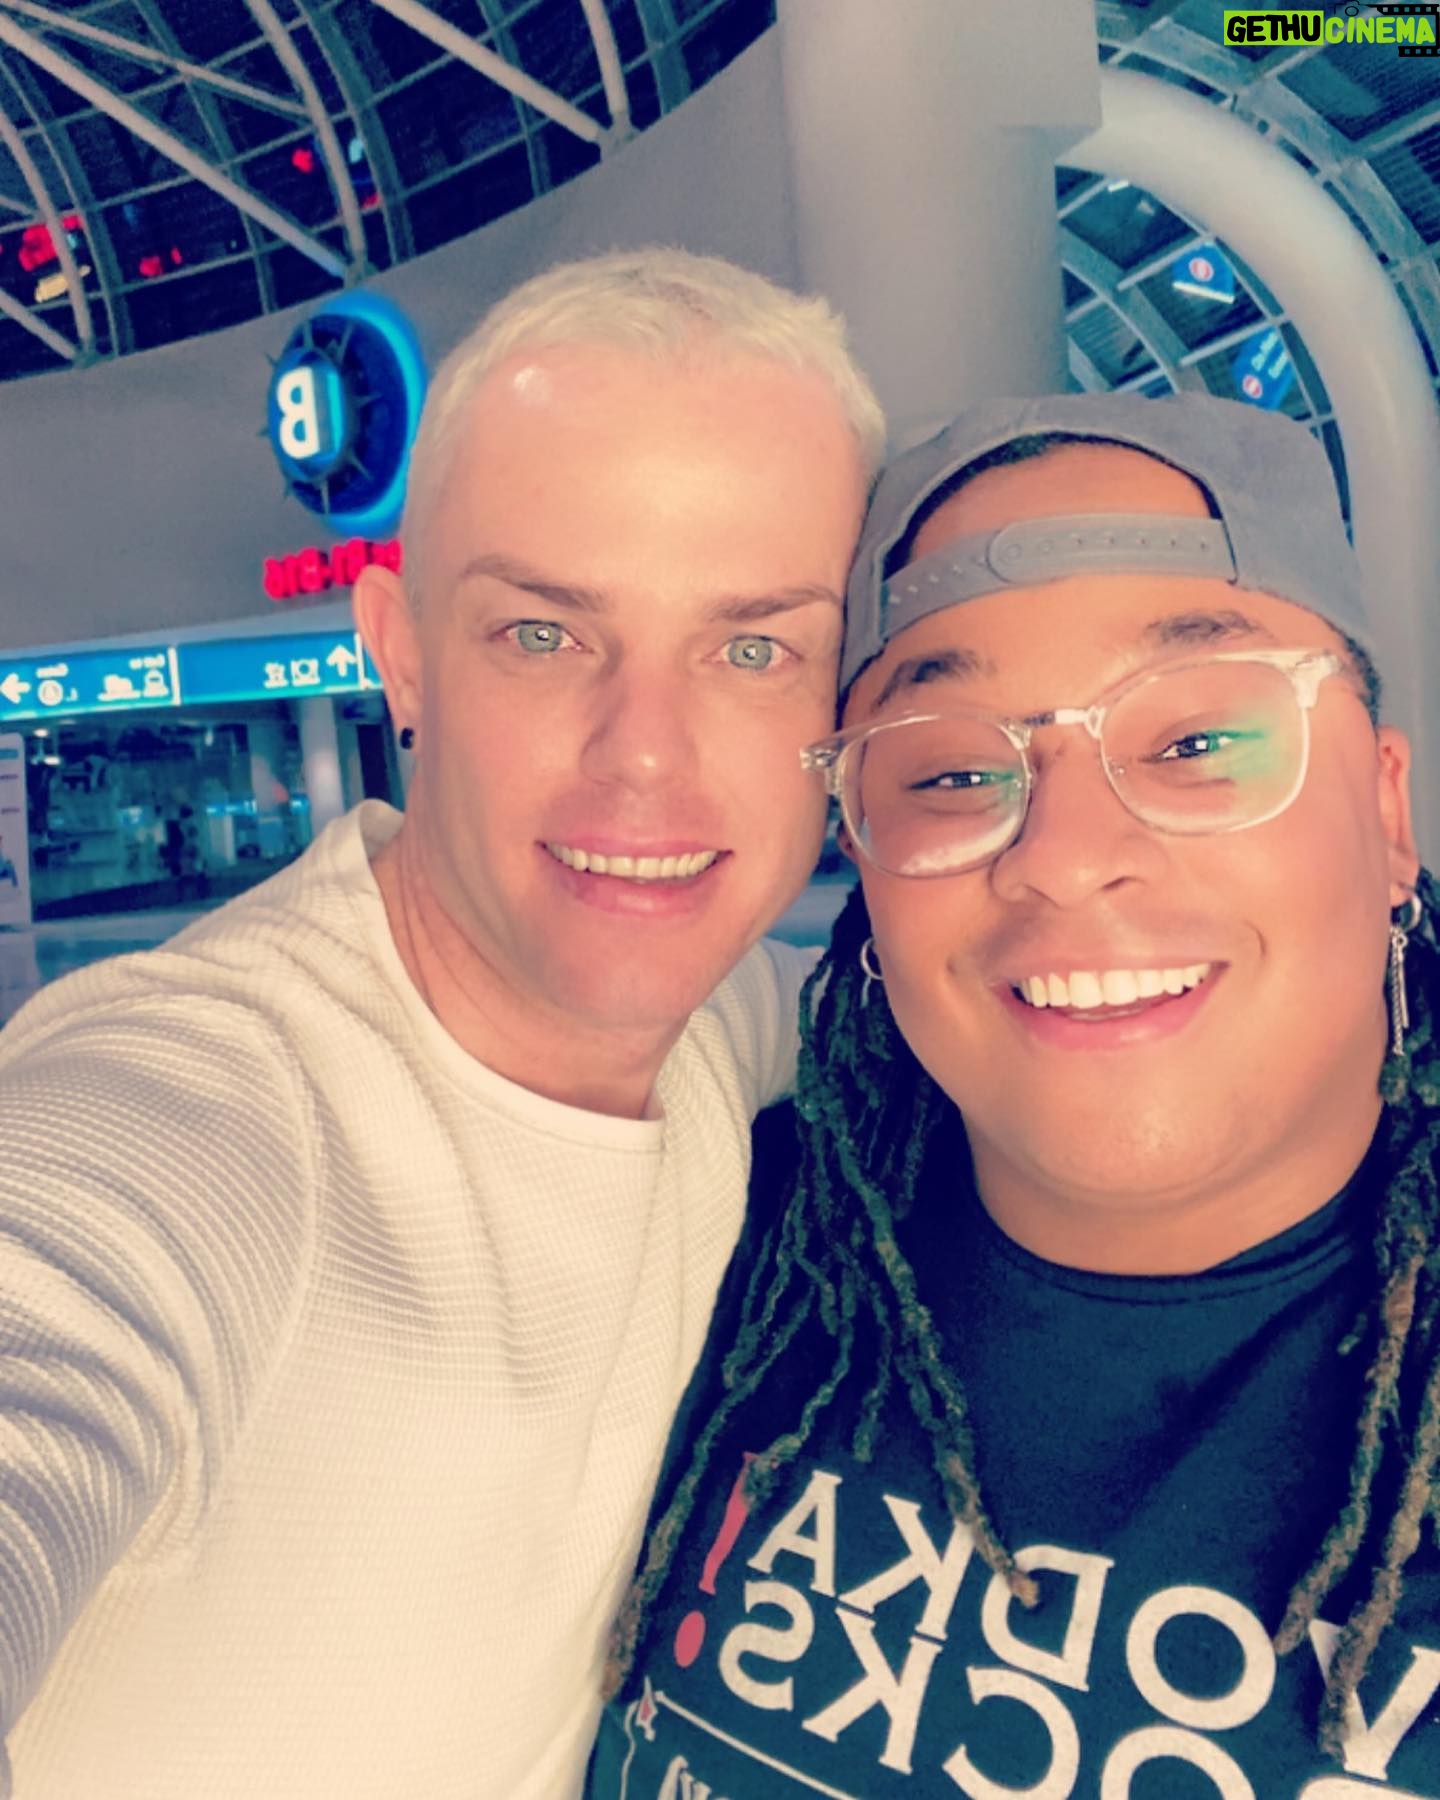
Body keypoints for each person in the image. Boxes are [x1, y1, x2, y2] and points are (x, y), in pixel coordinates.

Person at [0, 248, 882, 1800]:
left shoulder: (726, 1029)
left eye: (754, 649)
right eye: (544, 634)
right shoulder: (188, 1122)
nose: (645, 757)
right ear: (400, 651)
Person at [590, 393, 1440, 1795]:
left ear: (1388, 811)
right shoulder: (714, 1245)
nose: (1062, 854)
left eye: (1196, 744)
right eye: (951, 771)